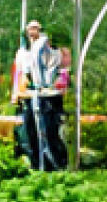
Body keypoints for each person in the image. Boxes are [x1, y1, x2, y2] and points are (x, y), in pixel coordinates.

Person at [12, 19, 70, 171]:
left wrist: (55, 84)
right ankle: (37, 163)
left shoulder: (53, 52)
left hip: (49, 97)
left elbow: (61, 72)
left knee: (50, 130)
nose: (33, 32)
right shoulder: (25, 51)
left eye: (36, 29)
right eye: (30, 29)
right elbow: (21, 74)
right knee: (31, 130)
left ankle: (55, 163)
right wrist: (19, 92)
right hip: (31, 96)